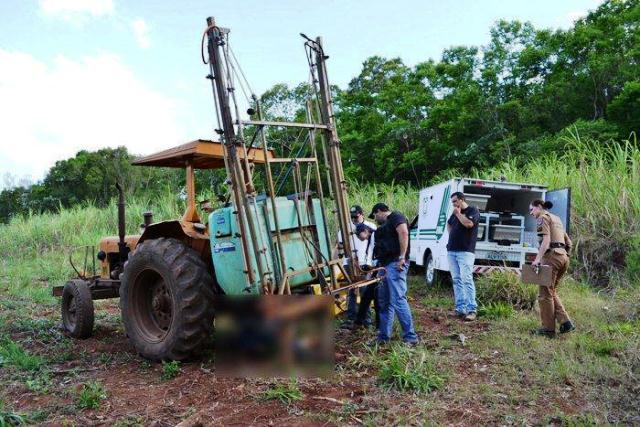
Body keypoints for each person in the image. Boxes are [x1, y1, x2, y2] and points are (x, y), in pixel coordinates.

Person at [368, 203, 419, 345]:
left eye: (375, 215)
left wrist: (402, 257)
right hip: (383, 265)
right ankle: (384, 336)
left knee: (398, 298)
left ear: (379, 211)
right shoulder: (385, 226)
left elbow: (403, 232)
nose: (375, 219)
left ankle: (410, 336)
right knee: (384, 301)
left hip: (395, 263)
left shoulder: (396, 216)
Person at [529, 199, 575, 338]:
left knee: (544, 293)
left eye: (532, 210)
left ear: (539, 207)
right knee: (551, 290)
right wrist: (565, 256)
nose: (531, 213)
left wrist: (537, 259)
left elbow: (546, 241)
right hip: (563, 258)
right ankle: (565, 322)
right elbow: (569, 243)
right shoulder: (557, 219)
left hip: (552, 257)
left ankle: (548, 329)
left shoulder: (543, 218)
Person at [335, 205, 376, 328]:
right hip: (349, 263)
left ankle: (366, 319)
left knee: (365, 291)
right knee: (351, 290)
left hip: (365, 263)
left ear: (362, 214)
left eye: (356, 217)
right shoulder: (345, 228)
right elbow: (340, 246)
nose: (354, 219)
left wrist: (370, 263)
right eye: (352, 217)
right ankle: (351, 318)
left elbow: (373, 246)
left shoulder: (371, 227)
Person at [446, 192, 480, 321]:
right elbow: (449, 224)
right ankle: (460, 308)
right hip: (452, 250)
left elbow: (468, 224)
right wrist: (451, 236)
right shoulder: (454, 214)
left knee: (466, 279)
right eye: (452, 202)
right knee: (456, 280)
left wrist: (458, 214)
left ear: (461, 200)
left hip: (465, 251)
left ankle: (472, 309)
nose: (453, 204)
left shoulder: (473, 210)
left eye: (455, 201)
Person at [352, 222, 379, 330]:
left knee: (376, 298)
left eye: (359, 236)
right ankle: (359, 322)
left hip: (378, 269)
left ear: (365, 231)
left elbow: (376, 253)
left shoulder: (376, 236)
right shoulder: (370, 238)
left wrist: (372, 266)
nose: (359, 238)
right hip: (374, 268)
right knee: (367, 297)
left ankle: (378, 326)